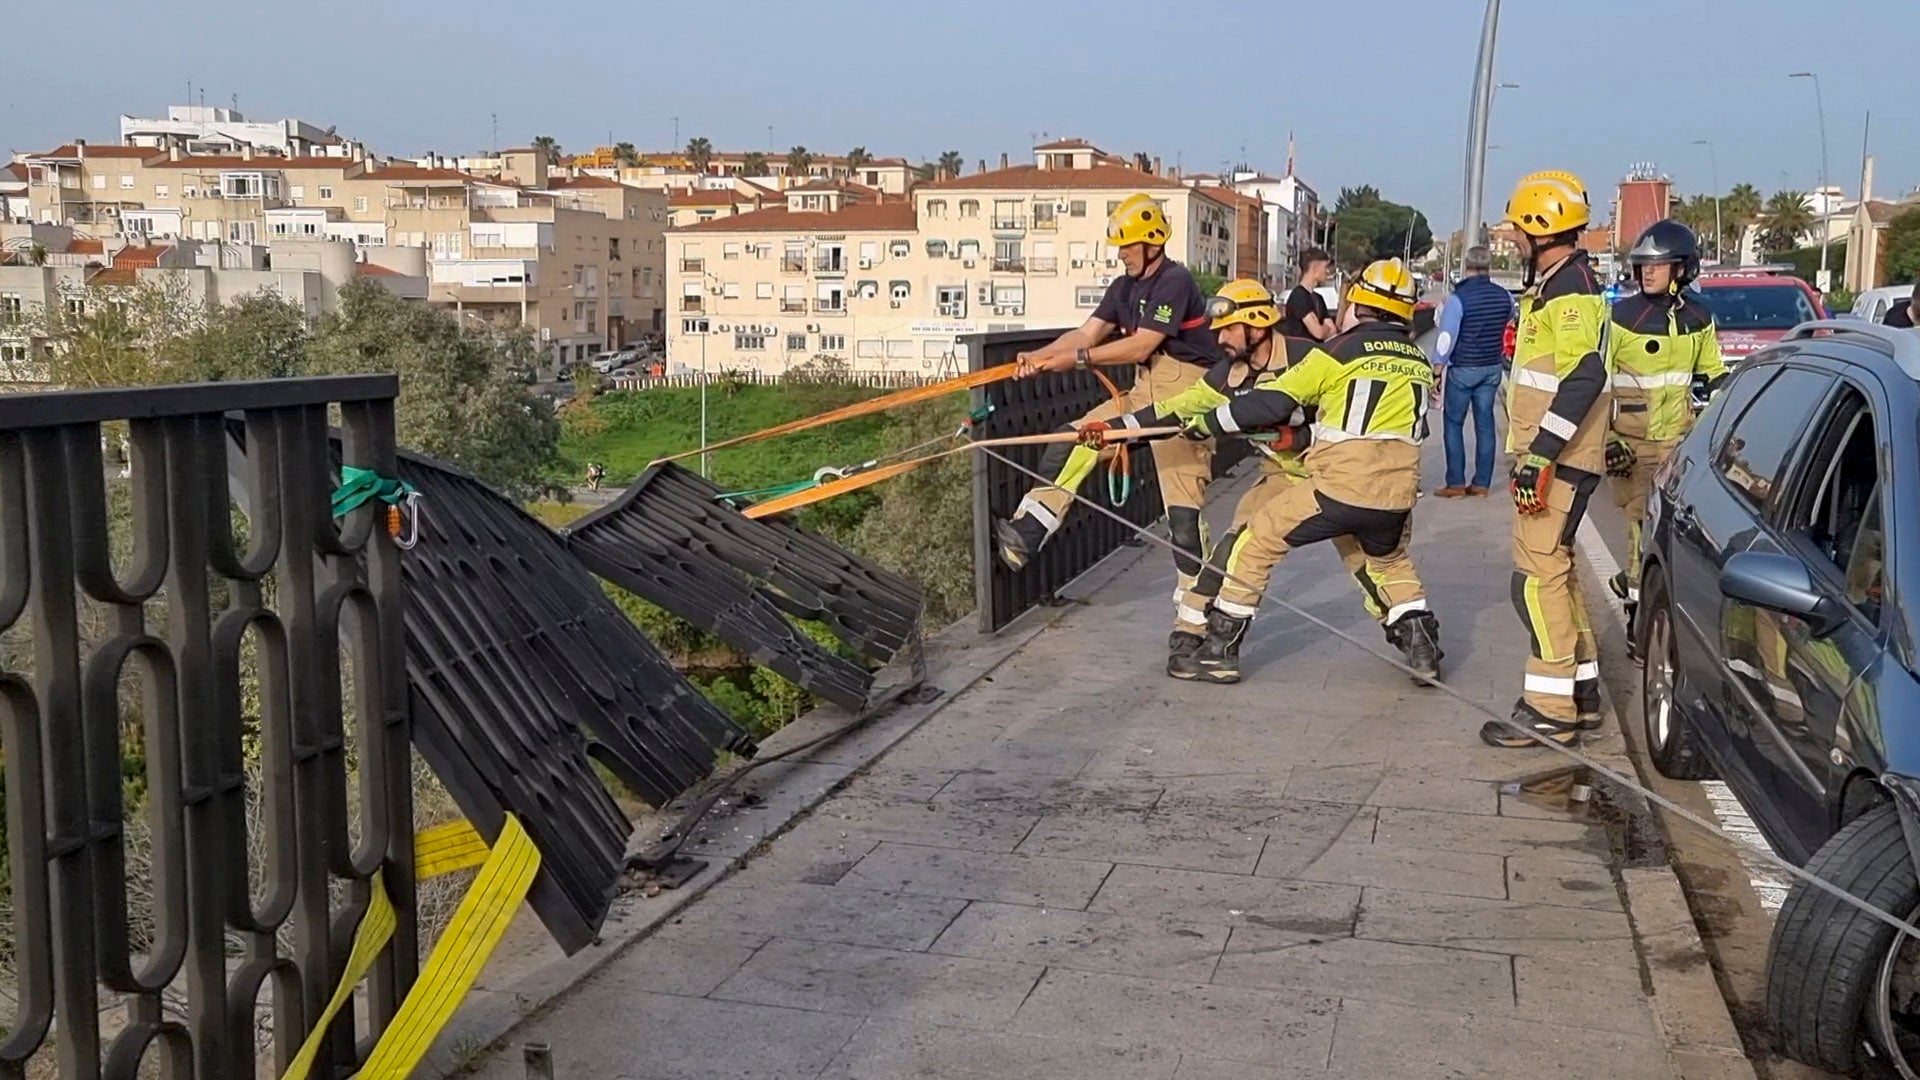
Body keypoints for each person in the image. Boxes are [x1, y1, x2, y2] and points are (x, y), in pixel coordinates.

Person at [1089, 278, 1441, 680]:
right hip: (1379, 487)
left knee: (1262, 546)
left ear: (1257, 324)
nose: (1218, 338)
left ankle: (1219, 652)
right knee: (1375, 561)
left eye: (1227, 329)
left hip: (1326, 477)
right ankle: (1191, 631)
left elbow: (1276, 403)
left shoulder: (1318, 354)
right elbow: (1175, 410)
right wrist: (1114, 429)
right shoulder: (1414, 357)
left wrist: (1221, 426)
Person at [993, 193, 1222, 663]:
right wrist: (1039, 358)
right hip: (1145, 391)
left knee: (1183, 517)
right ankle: (1030, 532)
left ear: (1152, 243)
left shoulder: (1174, 281)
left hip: (1185, 396)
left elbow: (1140, 346)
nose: (1120, 253)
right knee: (1073, 437)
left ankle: (1195, 619)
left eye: (1127, 246)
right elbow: (1087, 334)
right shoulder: (1124, 287)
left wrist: (1073, 360)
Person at [1484, 170, 1611, 749]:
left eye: (1517, 229)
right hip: (1555, 454)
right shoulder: (1559, 282)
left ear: (1540, 229)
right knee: (1555, 573)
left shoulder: (1570, 290)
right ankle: (1580, 697)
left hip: (1557, 458)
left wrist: (1541, 454)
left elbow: (1584, 376)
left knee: (1535, 580)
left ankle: (1549, 709)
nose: (1511, 238)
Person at [1603, 220, 1728, 659]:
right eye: (1642, 266)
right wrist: (1607, 439)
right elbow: (1596, 383)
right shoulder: (1620, 318)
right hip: (1631, 448)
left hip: (1680, 445)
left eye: (1657, 265)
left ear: (1681, 268)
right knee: (1642, 529)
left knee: (1669, 533)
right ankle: (1638, 616)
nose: (1647, 273)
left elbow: (1713, 377)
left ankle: (1635, 587)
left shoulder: (1699, 318)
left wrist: (1720, 432)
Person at [1432, 245, 1516, 497]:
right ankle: (1481, 483)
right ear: (1488, 266)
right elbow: (1509, 318)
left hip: (1463, 369)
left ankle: (1456, 482)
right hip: (1491, 368)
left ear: (1466, 266)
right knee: (1485, 424)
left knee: (1454, 423)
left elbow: (1447, 337)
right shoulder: (1505, 297)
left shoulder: (1458, 299)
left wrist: (1437, 370)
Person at [1280, 248, 1336, 340]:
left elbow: (1333, 330)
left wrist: (1324, 328)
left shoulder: (1319, 298)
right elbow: (1318, 333)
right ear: (1315, 269)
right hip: (1302, 351)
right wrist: (1326, 328)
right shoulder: (1299, 296)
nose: (1327, 271)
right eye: (1325, 267)